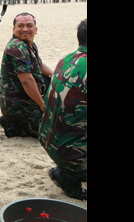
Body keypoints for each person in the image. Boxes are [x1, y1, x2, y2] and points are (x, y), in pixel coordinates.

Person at [38, 19, 87, 200]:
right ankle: (70, 176)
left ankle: (69, 169)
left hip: (50, 142)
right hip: (70, 152)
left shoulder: (66, 59)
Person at [0, 12, 53, 138]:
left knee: (51, 80)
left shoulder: (29, 45)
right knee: (54, 131)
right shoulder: (17, 48)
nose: (25, 29)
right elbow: (27, 81)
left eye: (29, 25)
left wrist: (56, 77)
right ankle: (14, 125)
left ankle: (14, 121)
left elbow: (39, 65)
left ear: (36, 29)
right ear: (14, 29)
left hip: (26, 99)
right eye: (20, 26)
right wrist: (43, 106)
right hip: (20, 104)